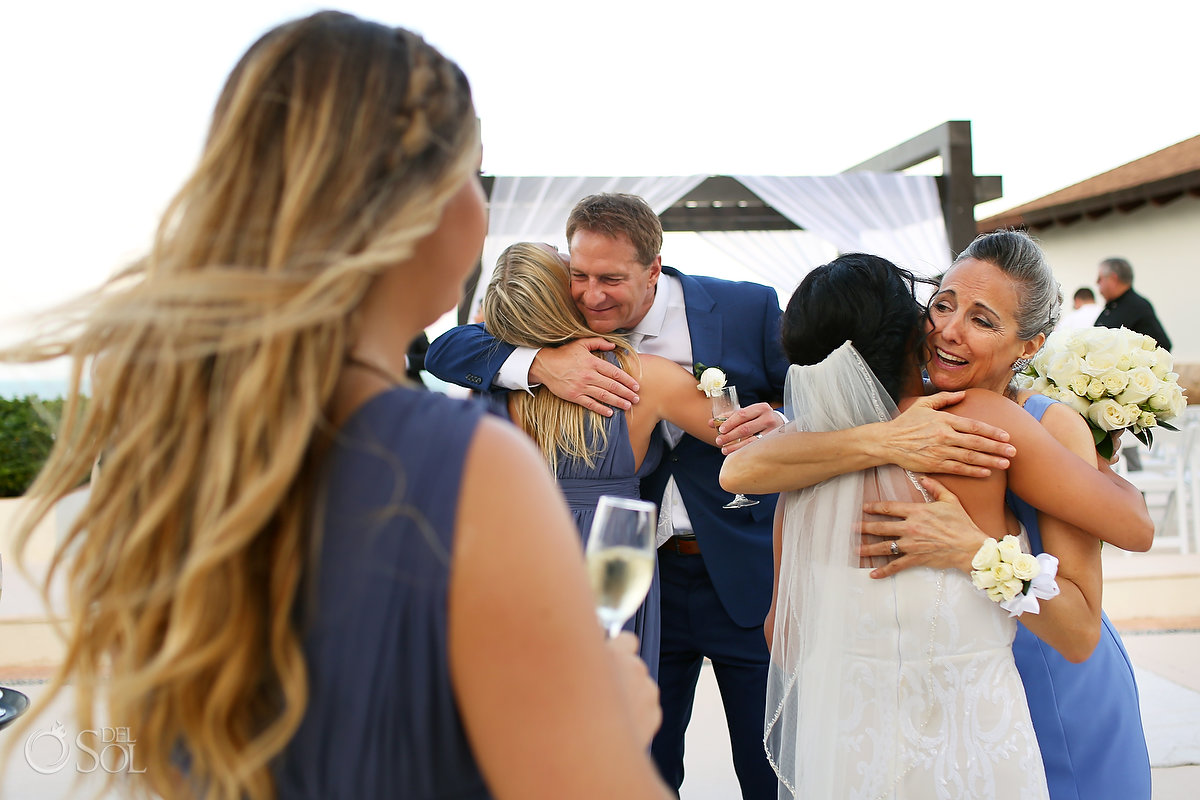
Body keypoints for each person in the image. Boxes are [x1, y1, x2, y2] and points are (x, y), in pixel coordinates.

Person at [3, 12, 671, 800]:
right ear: (420, 208)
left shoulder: (171, 448)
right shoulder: (467, 467)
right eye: (472, 175)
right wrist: (613, 727)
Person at [724, 232, 1154, 800]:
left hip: (1046, 669)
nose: (948, 329)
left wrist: (970, 547)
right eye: (942, 304)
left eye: (983, 319)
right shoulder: (873, 427)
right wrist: (884, 439)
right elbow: (740, 473)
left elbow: (1131, 536)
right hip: (944, 693)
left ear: (1029, 345)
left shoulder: (1032, 421)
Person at [427, 192, 794, 797]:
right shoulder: (606, 373)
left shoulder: (744, 306)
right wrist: (540, 363)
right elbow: (448, 348)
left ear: (652, 270)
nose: (593, 294)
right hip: (624, 565)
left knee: (756, 761)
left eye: (610, 278)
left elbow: (789, 405)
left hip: (722, 571)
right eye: (578, 276)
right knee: (637, 752)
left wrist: (786, 424)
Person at [478, 241, 731, 677]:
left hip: (516, 545)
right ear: (565, 300)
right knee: (610, 698)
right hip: (613, 547)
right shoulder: (643, 377)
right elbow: (750, 437)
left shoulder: (491, 384)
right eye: (574, 274)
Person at [1095, 256, 1172, 350]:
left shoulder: (1138, 306)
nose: (1097, 282)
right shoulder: (1114, 306)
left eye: (1100, 278)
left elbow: (1161, 346)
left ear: (1113, 279)